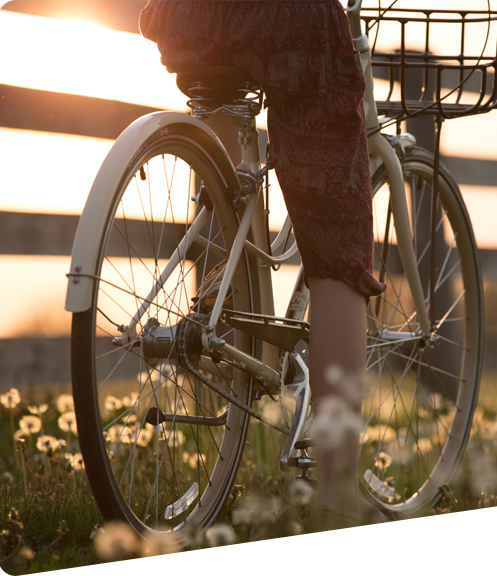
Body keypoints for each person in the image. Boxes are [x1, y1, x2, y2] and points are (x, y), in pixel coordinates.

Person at [138, 0, 385, 518]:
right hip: (286, 19)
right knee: (338, 245)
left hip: (186, 16)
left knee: (224, 180)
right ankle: (337, 495)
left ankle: (222, 319)